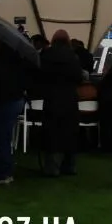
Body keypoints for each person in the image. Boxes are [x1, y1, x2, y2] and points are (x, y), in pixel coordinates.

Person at [38, 30, 85, 177]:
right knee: (69, 132)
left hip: (52, 98)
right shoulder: (73, 56)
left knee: (52, 133)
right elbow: (78, 77)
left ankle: (52, 167)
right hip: (69, 98)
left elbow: (40, 75)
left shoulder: (46, 55)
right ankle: (69, 166)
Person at [0, 35, 26, 186]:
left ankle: (3, 173)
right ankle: (4, 168)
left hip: (6, 103)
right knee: (5, 137)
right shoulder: (17, 63)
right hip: (16, 101)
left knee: (2, 138)